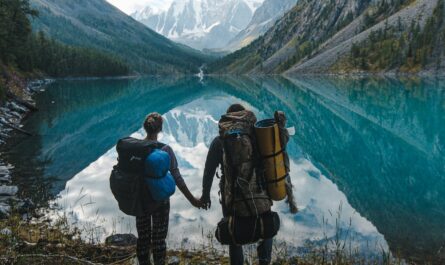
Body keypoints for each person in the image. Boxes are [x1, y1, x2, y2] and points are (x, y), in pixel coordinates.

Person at [200, 104, 274, 265]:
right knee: (265, 227)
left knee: (234, 234)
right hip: (260, 192)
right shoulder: (258, 138)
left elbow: (209, 171)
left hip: (232, 197)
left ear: (228, 121)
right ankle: (264, 261)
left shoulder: (220, 141)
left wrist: (205, 195)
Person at [137, 112, 202, 265]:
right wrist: (192, 200)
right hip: (160, 200)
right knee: (159, 239)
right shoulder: (165, 150)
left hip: (141, 199)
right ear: (160, 129)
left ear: (145, 128)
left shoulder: (136, 148)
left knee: (143, 238)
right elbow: (177, 178)